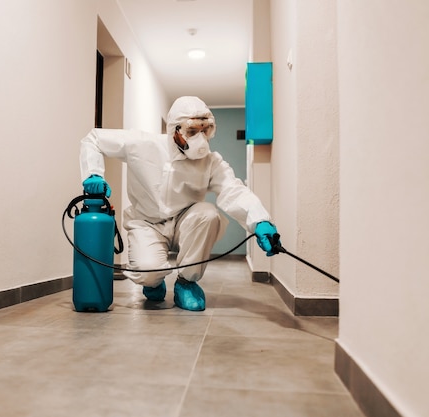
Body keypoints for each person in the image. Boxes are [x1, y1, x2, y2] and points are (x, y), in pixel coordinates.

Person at [79, 96, 279, 311]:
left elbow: (234, 190)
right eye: (192, 131)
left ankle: (186, 282)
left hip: (186, 222)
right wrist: (93, 174)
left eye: (206, 130)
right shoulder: (141, 144)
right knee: (148, 273)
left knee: (208, 214)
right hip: (147, 222)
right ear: (175, 129)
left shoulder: (211, 161)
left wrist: (260, 221)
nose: (200, 139)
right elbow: (94, 139)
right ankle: (153, 282)